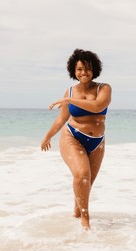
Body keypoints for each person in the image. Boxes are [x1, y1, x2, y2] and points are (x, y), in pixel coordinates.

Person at [41, 49, 112, 230]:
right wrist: (48, 136)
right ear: (73, 71)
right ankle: (85, 221)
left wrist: (69, 100)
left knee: (86, 183)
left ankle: (76, 213)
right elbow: (62, 118)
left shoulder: (103, 88)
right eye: (79, 69)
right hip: (72, 136)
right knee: (81, 176)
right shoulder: (71, 91)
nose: (83, 73)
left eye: (87, 69)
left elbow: (97, 106)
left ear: (94, 69)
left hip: (97, 141)